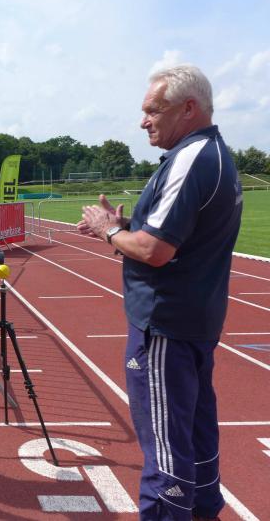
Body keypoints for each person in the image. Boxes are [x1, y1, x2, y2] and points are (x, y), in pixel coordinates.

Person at [78, 65, 241, 521]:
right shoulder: (214, 154)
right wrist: (124, 226)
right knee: (196, 427)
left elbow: (154, 250)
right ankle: (204, 507)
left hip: (164, 324)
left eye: (153, 110)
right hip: (196, 319)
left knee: (165, 443)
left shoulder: (190, 159)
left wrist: (110, 231)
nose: (143, 121)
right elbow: (176, 235)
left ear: (188, 109)